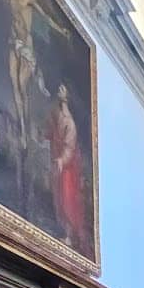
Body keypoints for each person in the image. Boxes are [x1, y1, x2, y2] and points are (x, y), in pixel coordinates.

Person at [45, 84, 86, 246]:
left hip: (68, 168)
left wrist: (62, 160)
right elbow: (52, 132)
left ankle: (69, 234)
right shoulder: (57, 115)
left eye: (63, 97)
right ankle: (61, 227)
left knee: (67, 198)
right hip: (59, 163)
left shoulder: (70, 122)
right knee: (58, 196)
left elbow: (70, 146)